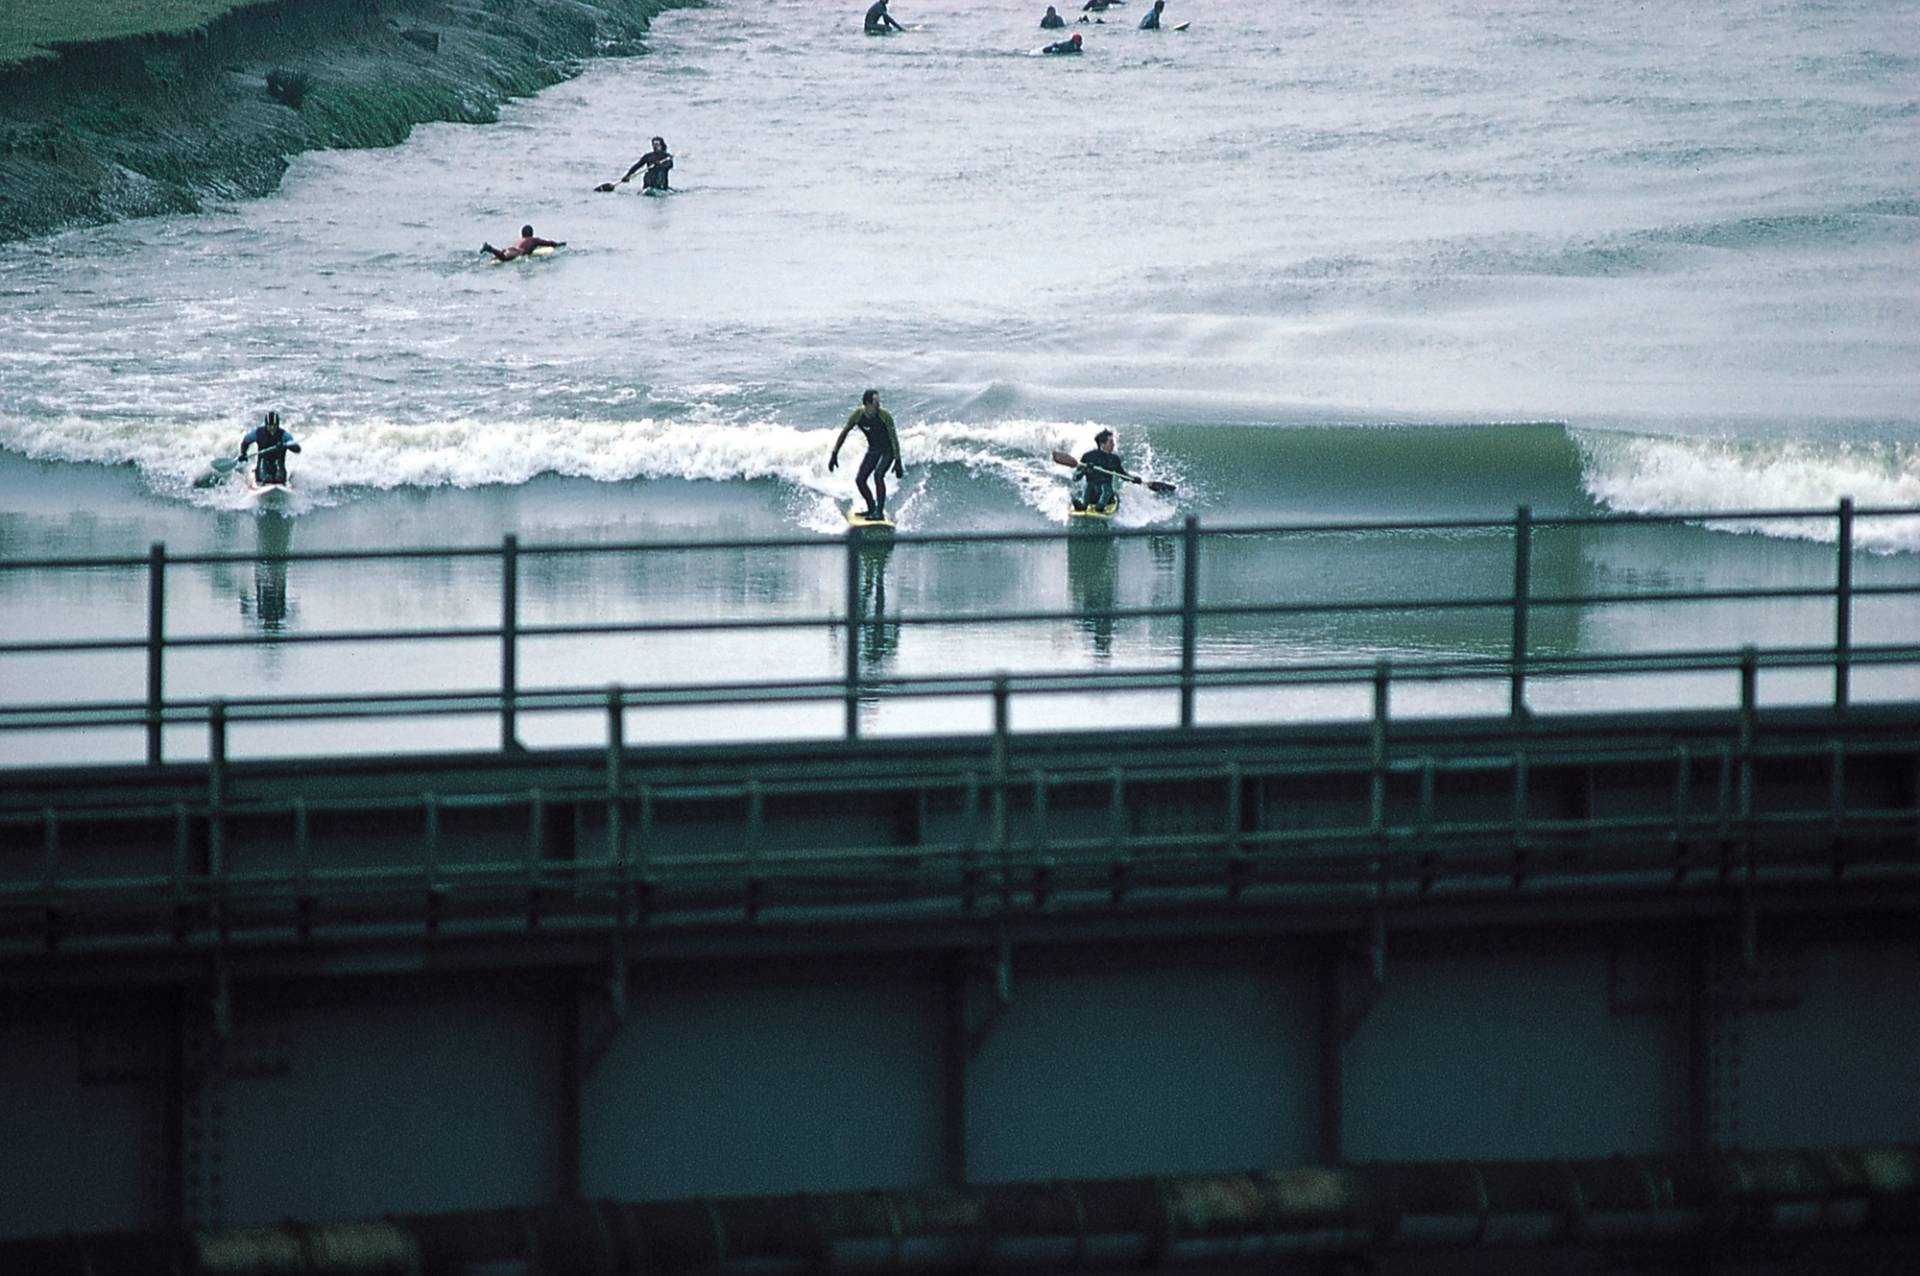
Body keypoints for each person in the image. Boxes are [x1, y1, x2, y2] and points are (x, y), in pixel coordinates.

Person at [829, 389, 905, 519]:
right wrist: (834, 453)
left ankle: (879, 512)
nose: (878, 404)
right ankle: (871, 508)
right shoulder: (858, 415)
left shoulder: (885, 416)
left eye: (879, 401)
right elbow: (844, 432)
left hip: (888, 450)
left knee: (878, 474)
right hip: (873, 449)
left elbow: (894, 438)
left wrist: (898, 461)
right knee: (860, 480)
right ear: (867, 403)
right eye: (876, 401)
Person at [1072, 428, 1134, 511]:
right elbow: (1075, 478)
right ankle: (1083, 505)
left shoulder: (1114, 459)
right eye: (1111, 442)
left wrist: (1134, 479)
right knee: (1089, 485)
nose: (1113, 445)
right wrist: (1084, 470)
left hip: (1106, 497)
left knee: (1105, 486)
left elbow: (1123, 475)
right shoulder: (1088, 456)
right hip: (1091, 495)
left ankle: (1100, 506)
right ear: (1102, 444)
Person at [238, 410, 302, 487]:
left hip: (279, 465)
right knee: (265, 475)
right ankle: (261, 480)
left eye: (274, 425)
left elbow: (297, 449)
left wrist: (286, 445)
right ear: (266, 425)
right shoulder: (258, 433)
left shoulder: (285, 435)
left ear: (278, 425)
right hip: (263, 465)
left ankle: (279, 482)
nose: (272, 428)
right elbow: (245, 441)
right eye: (269, 425)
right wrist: (243, 453)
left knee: (279, 476)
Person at [481, 225, 565, 262]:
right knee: (504, 258)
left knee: (503, 255)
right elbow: (548, 243)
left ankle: (492, 251)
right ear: (532, 233)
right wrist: (558, 245)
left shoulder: (520, 240)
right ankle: (489, 248)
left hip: (509, 249)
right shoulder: (533, 240)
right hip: (517, 252)